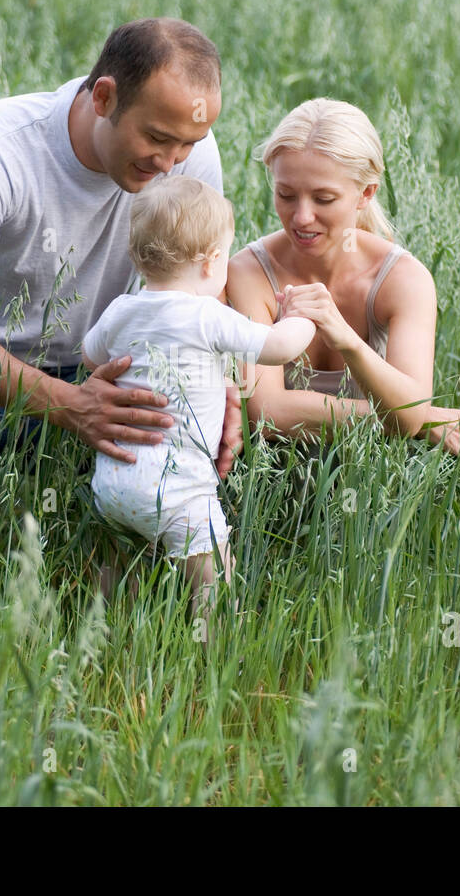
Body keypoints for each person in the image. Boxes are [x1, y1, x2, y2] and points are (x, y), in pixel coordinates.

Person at [0, 18, 245, 590]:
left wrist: (223, 388)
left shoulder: (190, 152)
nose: (173, 164)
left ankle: (108, 566)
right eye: (158, 139)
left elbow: (196, 298)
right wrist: (71, 406)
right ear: (104, 97)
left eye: (187, 144)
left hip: (100, 371)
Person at [225, 98, 460, 477]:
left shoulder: (403, 279)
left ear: (366, 194)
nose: (301, 216)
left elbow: (407, 413)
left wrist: (346, 339)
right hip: (272, 478)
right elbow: (266, 411)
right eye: (286, 195)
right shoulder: (249, 272)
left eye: (324, 198)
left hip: (372, 479)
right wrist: (421, 417)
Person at [82, 175, 313, 624]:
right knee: (212, 583)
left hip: (113, 482)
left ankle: (108, 630)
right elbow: (280, 348)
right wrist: (300, 317)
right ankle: (216, 647)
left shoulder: (121, 310)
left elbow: (92, 355)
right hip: (181, 491)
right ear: (211, 263)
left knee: (116, 570)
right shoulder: (208, 315)